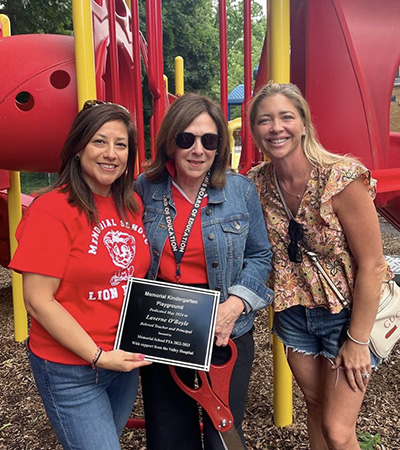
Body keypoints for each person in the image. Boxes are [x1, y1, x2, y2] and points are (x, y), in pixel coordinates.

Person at [247, 81, 394, 450]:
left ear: (303, 123)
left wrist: (357, 340)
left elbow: (374, 265)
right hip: (295, 314)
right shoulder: (257, 184)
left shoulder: (340, 178)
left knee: (338, 429)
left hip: (348, 314)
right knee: (315, 407)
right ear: (254, 131)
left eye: (285, 117)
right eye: (265, 120)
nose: (276, 127)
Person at [9, 100, 152, 450]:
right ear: (77, 148)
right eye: (99, 141)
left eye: (121, 145)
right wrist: (98, 356)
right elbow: (38, 301)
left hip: (122, 361)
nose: (111, 153)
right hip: (71, 368)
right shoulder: (52, 210)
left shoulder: (131, 206)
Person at [135, 93, 273, 450]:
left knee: (220, 435)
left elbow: (261, 256)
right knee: (169, 437)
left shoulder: (239, 191)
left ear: (219, 147)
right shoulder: (144, 189)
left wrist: (237, 304)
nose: (198, 150)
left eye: (208, 140)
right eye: (187, 139)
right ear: (170, 142)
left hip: (223, 327)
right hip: (162, 325)